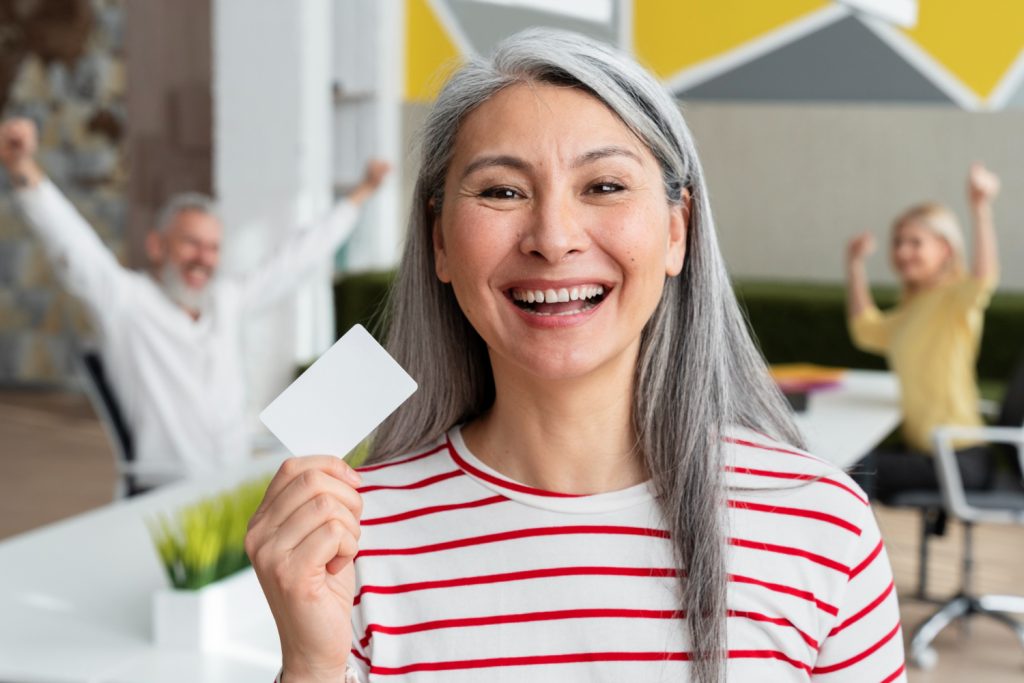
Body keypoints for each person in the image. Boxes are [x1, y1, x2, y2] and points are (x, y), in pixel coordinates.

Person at [246, 29, 905, 682]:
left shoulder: (820, 525)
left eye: (605, 186)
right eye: (502, 191)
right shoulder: (353, 545)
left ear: (677, 230)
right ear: (439, 241)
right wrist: (310, 665)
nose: (554, 238)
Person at [0, 116, 390, 492]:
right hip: (166, 494)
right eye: (190, 243)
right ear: (157, 246)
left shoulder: (226, 300)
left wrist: (362, 193)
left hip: (237, 486)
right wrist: (21, 166)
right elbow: (72, 244)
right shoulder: (127, 302)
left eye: (213, 247)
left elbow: (294, 261)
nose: (203, 258)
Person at [845, 164, 1001, 502]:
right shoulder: (912, 310)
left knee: (847, 471)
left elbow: (984, 278)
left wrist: (980, 207)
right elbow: (865, 330)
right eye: (899, 242)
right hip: (927, 452)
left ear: (945, 249)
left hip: (959, 456)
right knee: (847, 465)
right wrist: (855, 265)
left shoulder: (955, 300)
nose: (902, 251)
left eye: (916, 242)